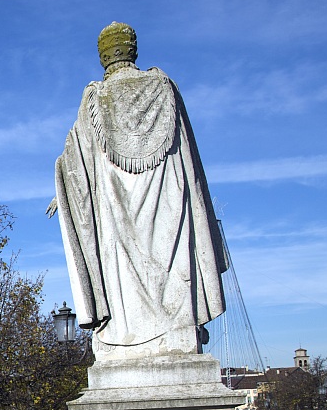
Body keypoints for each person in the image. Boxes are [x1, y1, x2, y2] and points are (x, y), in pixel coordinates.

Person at [50, 22, 227, 360]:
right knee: (170, 256)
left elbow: (75, 163)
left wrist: (65, 193)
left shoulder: (95, 98)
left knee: (121, 272)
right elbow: (191, 163)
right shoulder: (165, 88)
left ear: (103, 56)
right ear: (133, 50)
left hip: (114, 210)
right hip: (168, 203)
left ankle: (127, 336)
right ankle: (177, 329)